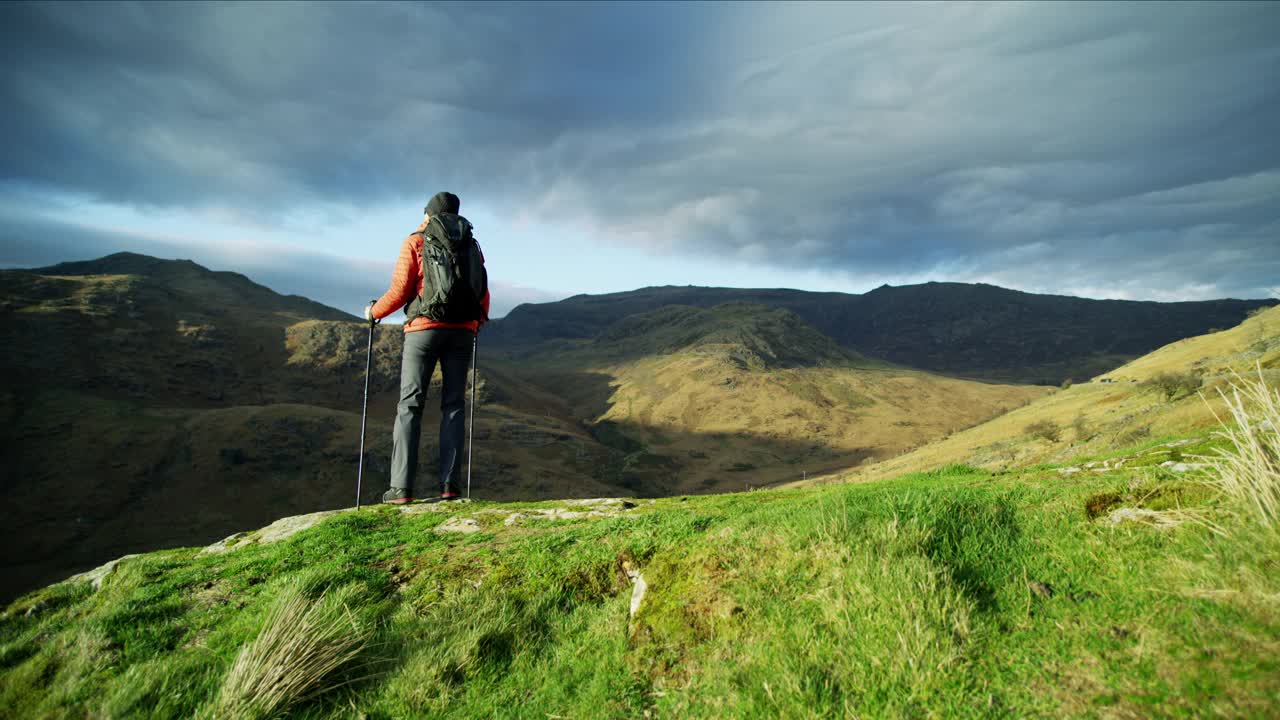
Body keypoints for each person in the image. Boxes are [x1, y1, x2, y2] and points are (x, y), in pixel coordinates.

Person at [366, 191, 490, 504]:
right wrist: (476, 324)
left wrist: (373, 312)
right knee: (453, 406)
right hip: (462, 332)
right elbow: (482, 291)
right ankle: (449, 487)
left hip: (423, 330)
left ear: (427, 214)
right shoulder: (471, 244)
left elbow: (399, 291)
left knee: (410, 405)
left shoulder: (416, 241)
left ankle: (401, 489)